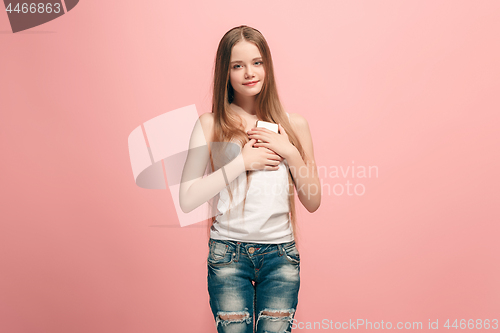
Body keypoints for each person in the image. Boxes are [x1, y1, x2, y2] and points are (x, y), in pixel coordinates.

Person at [179, 25, 321, 333]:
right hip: (228, 254)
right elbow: (187, 198)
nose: (249, 72)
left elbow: (312, 201)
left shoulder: (294, 125)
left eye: (257, 62)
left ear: (267, 65)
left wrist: (290, 153)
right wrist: (242, 162)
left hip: (280, 255)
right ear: (225, 73)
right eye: (237, 65)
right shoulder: (211, 124)